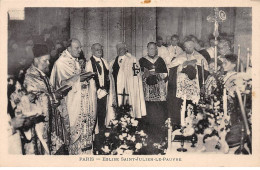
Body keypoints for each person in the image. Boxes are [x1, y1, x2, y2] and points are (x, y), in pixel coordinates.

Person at [50, 39, 97, 155]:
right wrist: (78, 80)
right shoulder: (61, 63)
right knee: (74, 136)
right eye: (77, 48)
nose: (80, 50)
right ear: (69, 48)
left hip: (83, 104)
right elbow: (61, 85)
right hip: (71, 106)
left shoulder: (76, 61)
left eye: (80, 47)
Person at [22, 44, 69, 155]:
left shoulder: (42, 75)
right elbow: (32, 101)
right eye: (45, 61)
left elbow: (46, 93)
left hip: (52, 124)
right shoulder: (29, 77)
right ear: (36, 60)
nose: (48, 63)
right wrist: (53, 96)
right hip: (40, 127)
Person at [167, 39, 209, 127]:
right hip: (182, 88)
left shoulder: (200, 57)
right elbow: (172, 68)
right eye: (185, 47)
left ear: (193, 47)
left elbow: (204, 71)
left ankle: (195, 125)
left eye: (190, 47)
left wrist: (194, 66)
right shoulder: (179, 56)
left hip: (194, 88)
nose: (188, 49)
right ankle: (181, 124)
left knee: (193, 105)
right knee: (182, 106)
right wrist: (182, 65)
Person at [107, 42, 146, 125]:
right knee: (117, 105)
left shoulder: (132, 59)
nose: (120, 50)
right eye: (119, 48)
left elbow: (136, 74)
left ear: (126, 49)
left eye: (122, 48)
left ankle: (129, 124)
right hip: (116, 88)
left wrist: (130, 83)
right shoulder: (113, 61)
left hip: (128, 88)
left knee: (128, 106)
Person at [139, 42, 168, 143]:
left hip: (158, 89)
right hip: (147, 89)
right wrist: (145, 74)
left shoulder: (160, 60)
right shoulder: (142, 60)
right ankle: (148, 132)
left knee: (158, 110)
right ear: (147, 49)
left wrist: (156, 74)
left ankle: (159, 130)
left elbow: (165, 73)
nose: (152, 50)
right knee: (148, 109)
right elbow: (138, 74)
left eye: (154, 48)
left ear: (156, 49)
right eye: (150, 48)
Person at [85, 43, 111, 153]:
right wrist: (97, 90)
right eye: (96, 49)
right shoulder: (89, 63)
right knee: (95, 115)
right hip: (94, 94)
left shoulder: (105, 62)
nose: (99, 51)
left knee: (103, 115)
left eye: (100, 49)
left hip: (104, 93)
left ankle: (102, 137)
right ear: (92, 51)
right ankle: (95, 141)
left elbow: (109, 78)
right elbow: (89, 79)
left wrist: (105, 89)